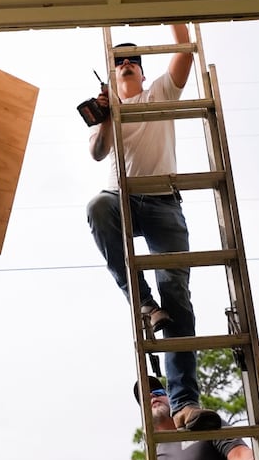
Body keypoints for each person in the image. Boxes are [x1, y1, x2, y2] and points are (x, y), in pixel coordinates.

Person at [86, 23, 213, 429]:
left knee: (176, 293)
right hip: (120, 198)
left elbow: (184, 53)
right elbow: (97, 151)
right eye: (118, 62)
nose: (126, 65)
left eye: (132, 62)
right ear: (111, 76)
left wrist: (175, 14)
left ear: (142, 73)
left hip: (162, 200)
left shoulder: (158, 92)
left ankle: (184, 403)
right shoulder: (104, 109)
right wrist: (105, 115)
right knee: (97, 208)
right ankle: (142, 302)